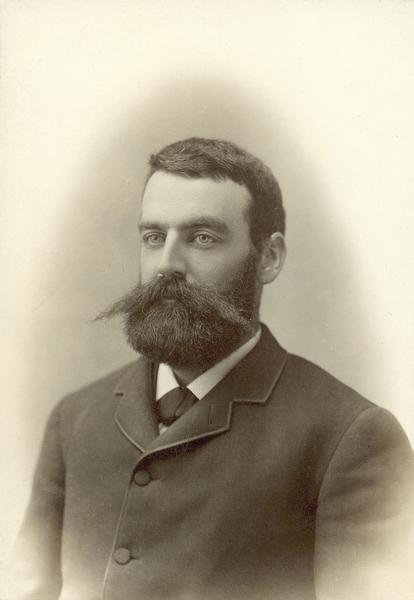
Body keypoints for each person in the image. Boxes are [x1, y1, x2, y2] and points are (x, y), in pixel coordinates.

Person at [9, 138, 413, 600]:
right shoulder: (75, 418)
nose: (167, 265)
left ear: (269, 258)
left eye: (203, 238)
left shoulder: (350, 437)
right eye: (153, 237)